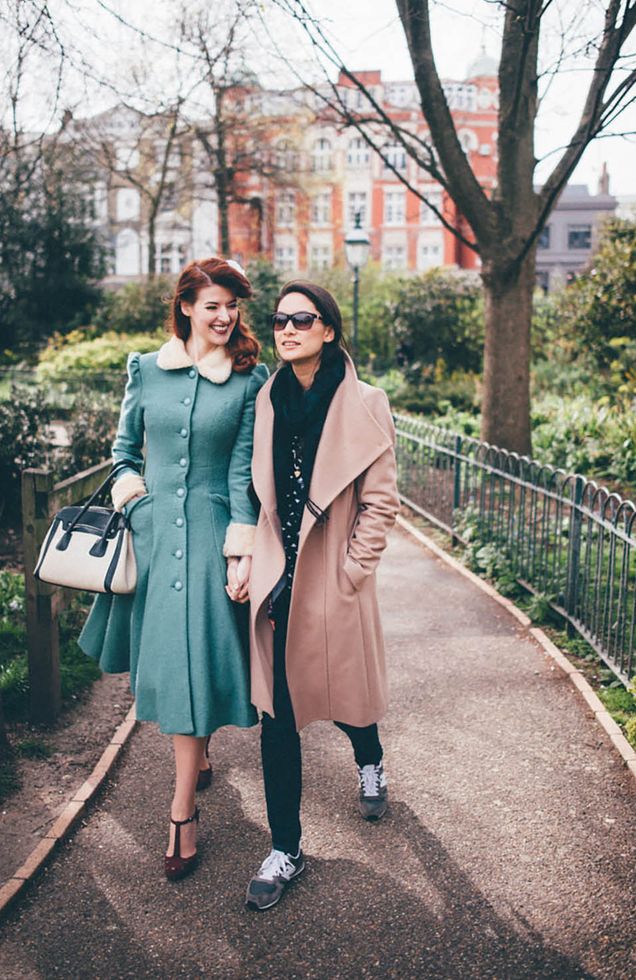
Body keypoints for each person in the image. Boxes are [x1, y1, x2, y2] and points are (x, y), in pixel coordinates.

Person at [78, 258, 269, 881]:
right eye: (212, 304)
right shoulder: (145, 370)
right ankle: (200, 758)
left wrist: (241, 550)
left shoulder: (247, 381)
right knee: (176, 663)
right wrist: (134, 497)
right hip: (156, 538)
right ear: (185, 306)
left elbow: (244, 472)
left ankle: (181, 811)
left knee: (195, 662)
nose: (224, 316)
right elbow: (123, 451)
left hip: (213, 538)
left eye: (231, 306)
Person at [244, 281, 399, 911]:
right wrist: (253, 562)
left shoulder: (366, 401)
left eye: (302, 319)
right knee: (278, 714)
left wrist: (351, 572)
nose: (287, 329)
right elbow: (262, 494)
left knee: (347, 696)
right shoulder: (268, 399)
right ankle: (287, 847)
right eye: (280, 320)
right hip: (281, 574)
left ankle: (371, 759)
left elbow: (382, 500)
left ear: (328, 330)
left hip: (333, 575)